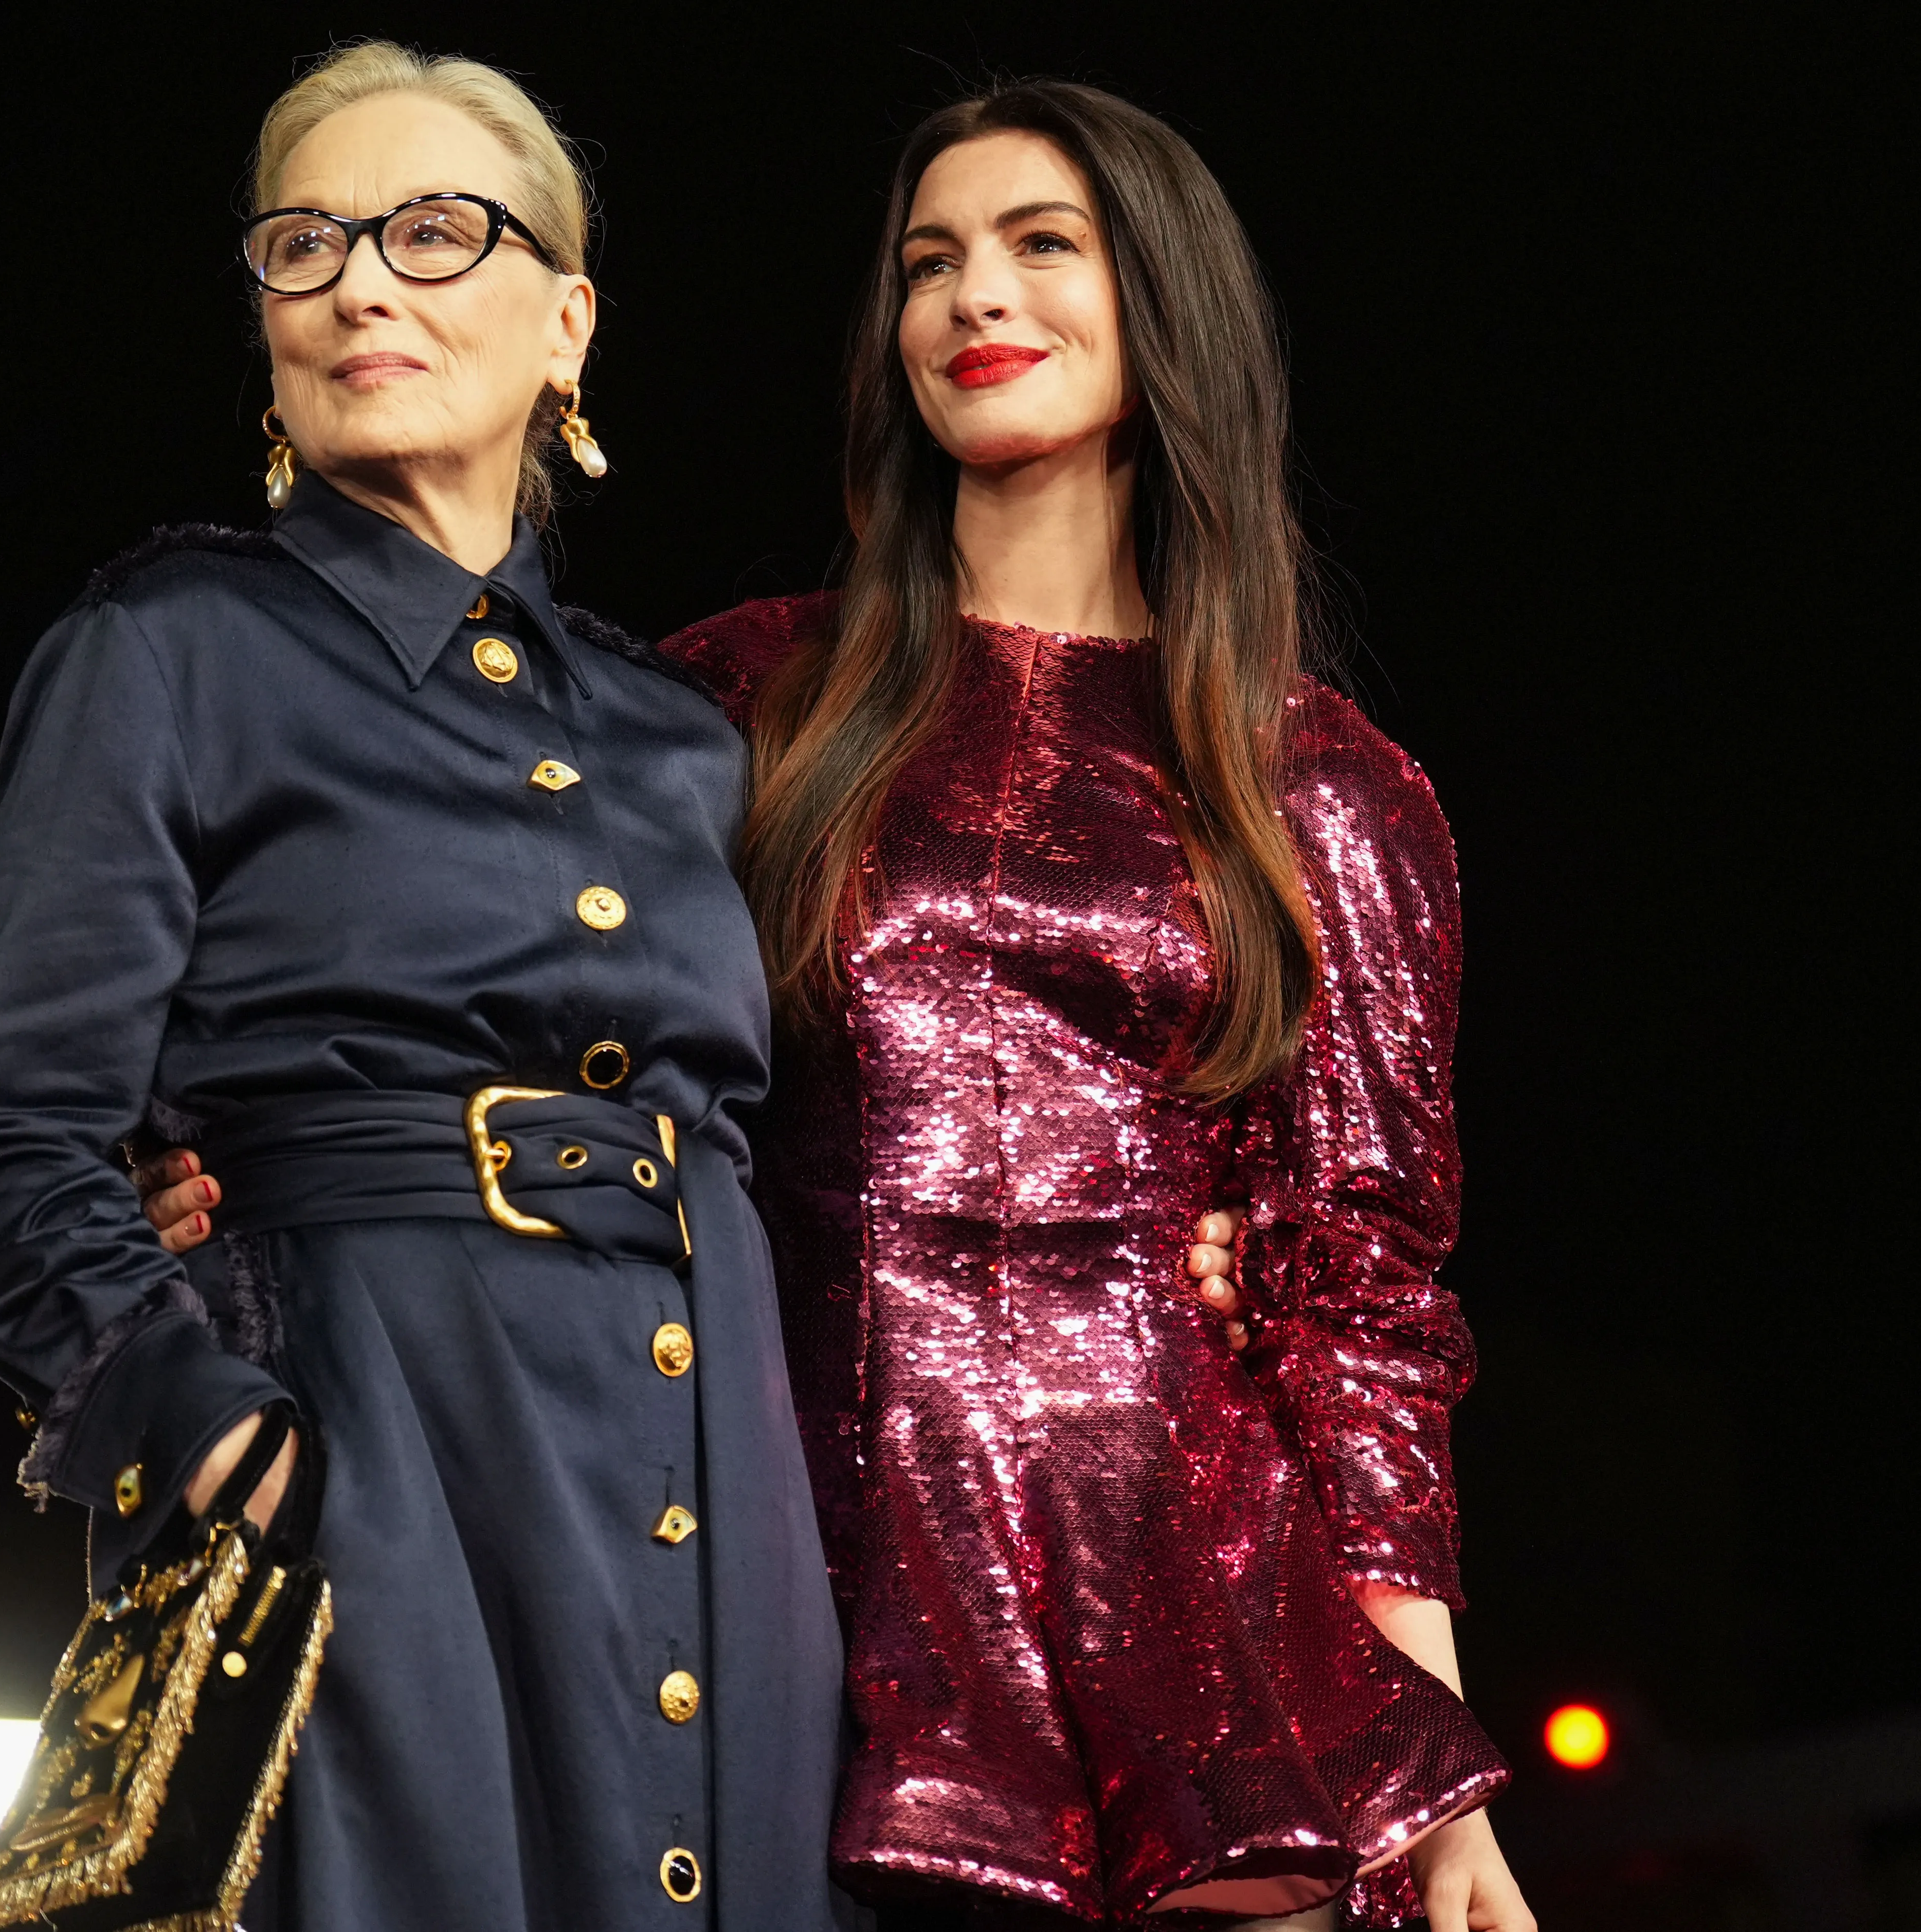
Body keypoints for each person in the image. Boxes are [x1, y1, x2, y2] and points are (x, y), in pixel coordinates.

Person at [0, 44, 847, 1931]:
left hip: (718, 1492)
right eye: (305, 243)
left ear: (568, 323)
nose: (357, 285)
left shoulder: (690, 739)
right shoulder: (168, 649)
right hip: (374, 1468)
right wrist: (223, 1438)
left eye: (428, 232)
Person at [667, 83, 1537, 1932]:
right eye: (930, 262)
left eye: (1041, 244)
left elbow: (1365, 1298)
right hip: (797, 1582)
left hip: (1200, 1628)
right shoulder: (738, 703)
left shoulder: (1324, 787)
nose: (975, 294)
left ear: (1163, 301)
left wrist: (1439, 1773)